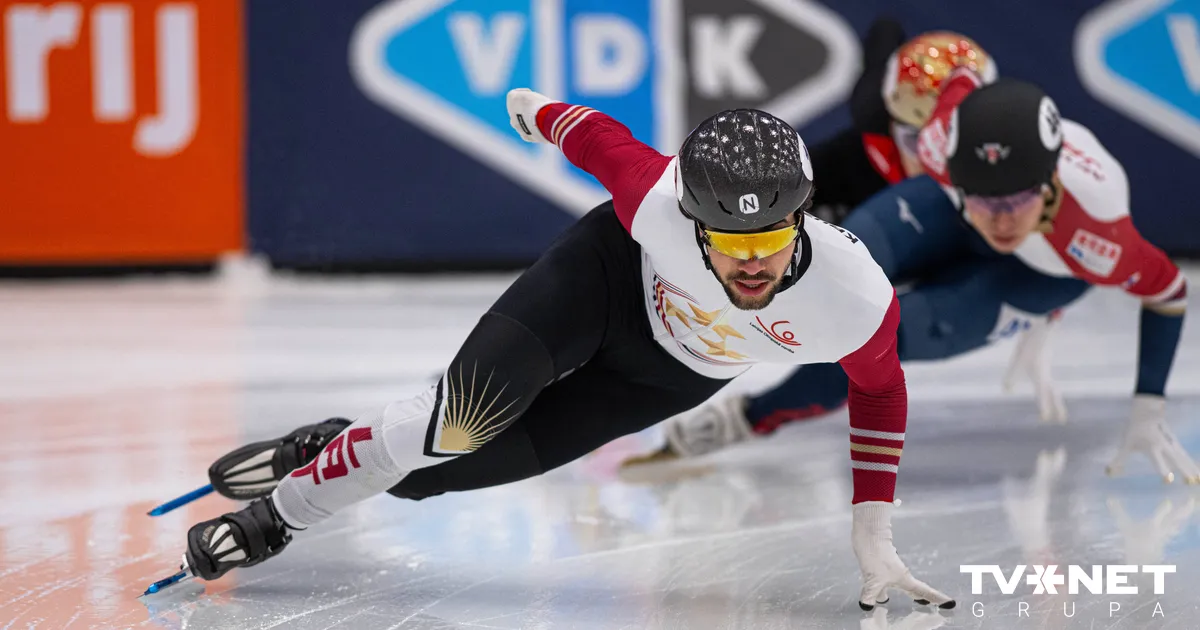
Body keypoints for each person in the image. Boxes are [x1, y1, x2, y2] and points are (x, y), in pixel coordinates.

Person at [176, 91, 956, 610]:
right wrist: (532, 109)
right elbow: (597, 138)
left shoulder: (854, 298)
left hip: (667, 376)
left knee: (424, 482)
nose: (749, 262)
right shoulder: (655, 206)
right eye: (725, 240)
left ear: (803, 217)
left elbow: (881, 393)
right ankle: (278, 516)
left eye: (769, 238)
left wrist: (870, 529)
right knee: (459, 420)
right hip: (606, 279)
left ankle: (327, 445)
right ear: (692, 221)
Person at [647, 73, 1198, 485]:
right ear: (950, 166)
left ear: (1051, 184)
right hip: (945, 209)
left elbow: (1170, 293)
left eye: (1016, 201)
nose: (998, 219)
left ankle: (746, 419)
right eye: (982, 198)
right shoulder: (942, 140)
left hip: (1040, 272)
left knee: (881, 337)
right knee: (834, 265)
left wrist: (1148, 404)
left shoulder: (1099, 239)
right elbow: (944, 74)